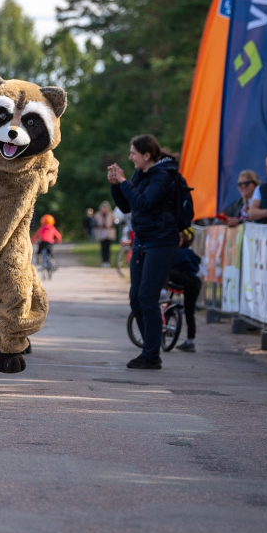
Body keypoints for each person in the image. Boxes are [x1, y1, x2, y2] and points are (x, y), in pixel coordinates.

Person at [108, 134, 180, 370]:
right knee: (136, 298)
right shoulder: (142, 174)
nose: (131, 157)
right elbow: (128, 206)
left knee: (148, 297)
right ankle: (149, 349)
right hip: (143, 241)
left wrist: (125, 182)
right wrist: (116, 185)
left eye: (134, 153)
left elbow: (144, 203)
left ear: (147, 155)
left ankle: (151, 354)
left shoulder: (162, 175)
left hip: (161, 242)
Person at [170, 229, 203, 352]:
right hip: (194, 283)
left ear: (184, 240)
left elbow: (172, 265)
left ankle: (162, 292)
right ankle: (190, 341)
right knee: (189, 313)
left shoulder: (182, 252)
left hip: (188, 280)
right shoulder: (188, 252)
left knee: (165, 271)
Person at [94, 201, 116, 266]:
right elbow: (94, 224)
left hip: (109, 233)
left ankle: (107, 261)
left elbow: (115, 223)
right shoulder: (98, 215)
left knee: (108, 248)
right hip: (101, 233)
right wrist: (99, 226)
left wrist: (110, 225)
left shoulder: (111, 214)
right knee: (103, 248)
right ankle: (104, 261)